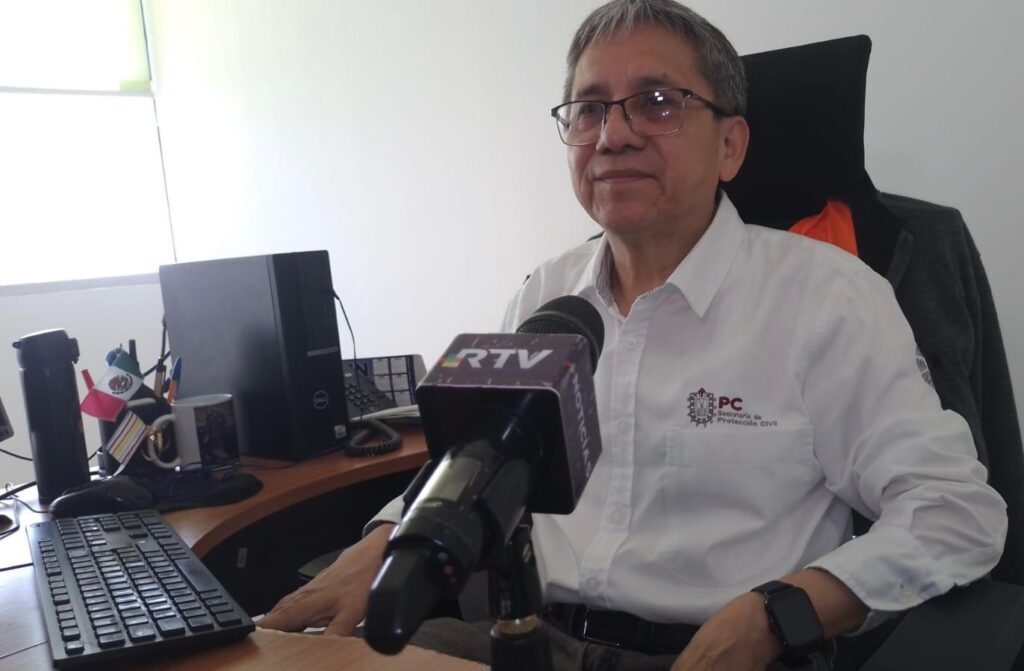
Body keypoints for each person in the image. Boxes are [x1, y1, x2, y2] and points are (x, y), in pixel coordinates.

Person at [260, 1, 1008, 669]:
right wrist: (388, 540)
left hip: (724, 649)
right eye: (589, 109)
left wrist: (778, 614)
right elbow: (484, 456)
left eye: (656, 103)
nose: (613, 135)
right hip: (527, 637)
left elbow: (956, 512)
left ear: (730, 146)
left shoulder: (828, 298)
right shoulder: (547, 293)